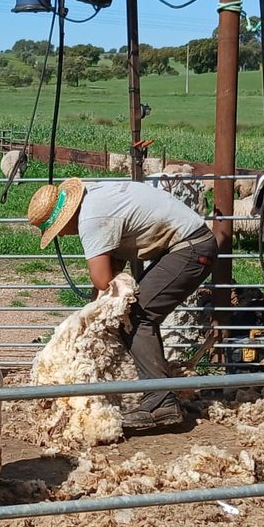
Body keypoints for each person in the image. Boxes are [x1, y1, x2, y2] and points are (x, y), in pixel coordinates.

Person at [27, 176, 217, 431]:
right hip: (188, 244)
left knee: (137, 316)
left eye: (59, 230)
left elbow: (102, 278)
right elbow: (110, 270)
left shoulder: (91, 218)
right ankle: (153, 391)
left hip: (191, 248)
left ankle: (160, 402)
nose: (63, 234)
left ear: (65, 218)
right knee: (138, 313)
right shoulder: (96, 196)